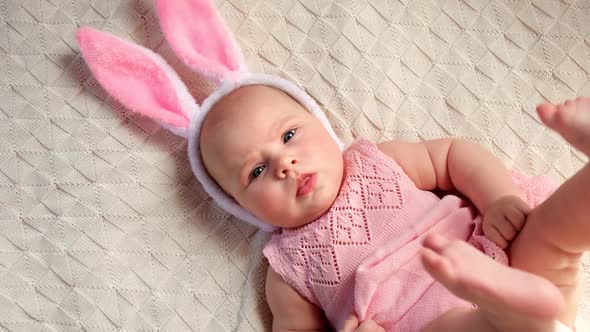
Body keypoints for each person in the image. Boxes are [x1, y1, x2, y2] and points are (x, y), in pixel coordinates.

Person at [74, 1, 587, 330]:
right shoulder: (286, 269)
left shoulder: (375, 161)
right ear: (238, 205)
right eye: (255, 172)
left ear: (320, 123)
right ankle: (511, 307)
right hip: (442, 323)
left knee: (551, 234)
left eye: (290, 135)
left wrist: (500, 199)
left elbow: (454, 154)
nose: (284, 163)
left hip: (500, 256)